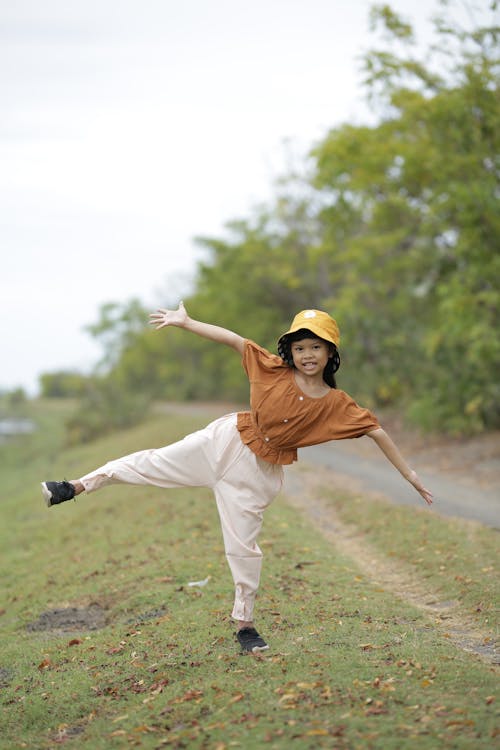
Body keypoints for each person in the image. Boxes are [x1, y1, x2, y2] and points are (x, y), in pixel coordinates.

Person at [41, 303, 433, 653]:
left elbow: (376, 431)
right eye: (300, 347)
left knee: (243, 548)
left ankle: (245, 625)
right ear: (289, 352)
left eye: (316, 346)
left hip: (257, 473)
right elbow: (233, 340)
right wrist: (187, 322)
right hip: (225, 441)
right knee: (150, 461)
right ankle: (73, 486)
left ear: (330, 352)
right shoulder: (271, 368)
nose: (307, 354)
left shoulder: (336, 404)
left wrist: (410, 475)